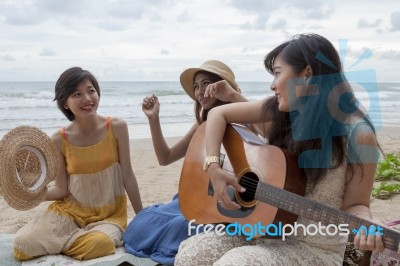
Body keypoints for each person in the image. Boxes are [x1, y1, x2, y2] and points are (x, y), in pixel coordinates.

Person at [175, 33, 385, 265]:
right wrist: (214, 167)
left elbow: (357, 204)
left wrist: (366, 224)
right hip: (261, 230)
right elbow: (217, 114)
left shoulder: (359, 134)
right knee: (192, 255)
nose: (272, 84)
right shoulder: (282, 111)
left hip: (315, 247)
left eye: (277, 73)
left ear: (307, 74)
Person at [123, 60, 257, 265]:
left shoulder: (244, 118)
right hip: (193, 199)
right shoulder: (202, 124)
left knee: (181, 227)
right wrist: (153, 119)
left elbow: (265, 132)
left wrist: (233, 96)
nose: (200, 91)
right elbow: (165, 157)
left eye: (206, 84)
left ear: (222, 85)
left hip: (223, 207)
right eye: (196, 86)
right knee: (143, 221)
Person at [13, 67, 143, 261]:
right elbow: (61, 189)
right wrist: (34, 195)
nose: (87, 99)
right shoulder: (58, 139)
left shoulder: (117, 127)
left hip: (108, 216)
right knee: (22, 243)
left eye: (91, 91)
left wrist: (142, 217)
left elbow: (128, 175)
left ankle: (60, 243)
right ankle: (69, 240)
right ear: (65, 102)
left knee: (101, 244)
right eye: (77, 94)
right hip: (70, 213)